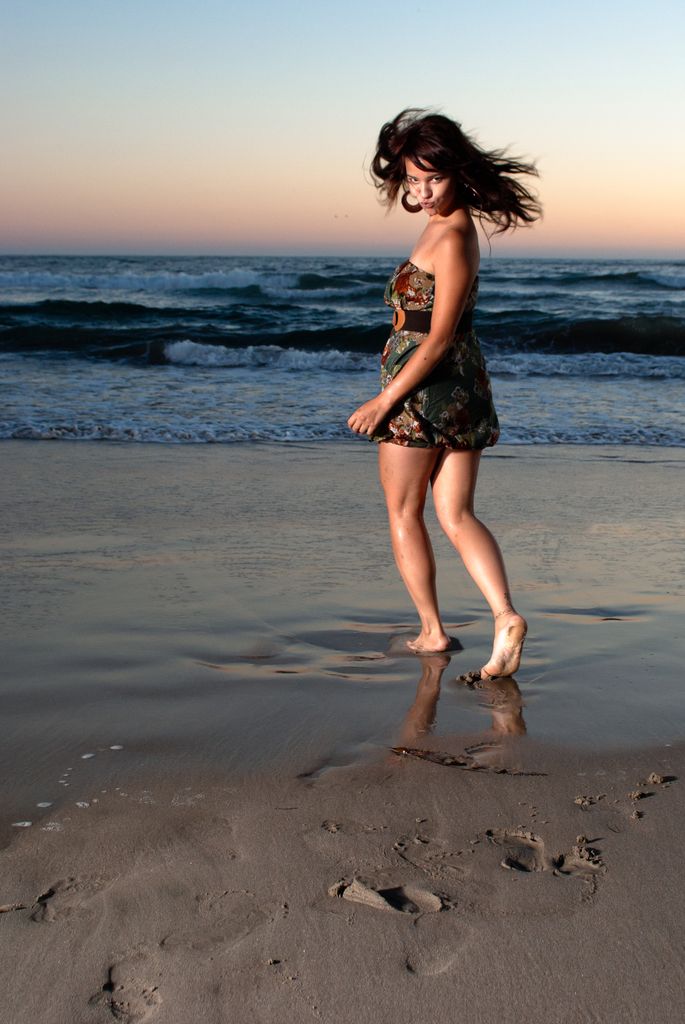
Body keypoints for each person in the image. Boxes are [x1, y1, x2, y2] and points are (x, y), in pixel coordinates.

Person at [347, 109, 541, 680]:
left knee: (404, 511)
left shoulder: (453, 236)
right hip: (460, 386)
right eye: (414, 180)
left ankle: (432, 631)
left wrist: (384, 401)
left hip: (426, 390)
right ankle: (504, 616)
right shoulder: (446, 225)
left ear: (458, 173)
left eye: (434, 179)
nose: (423, 192)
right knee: (455, 513)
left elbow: (437, 339)